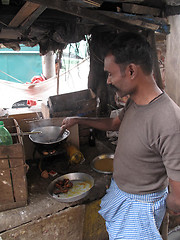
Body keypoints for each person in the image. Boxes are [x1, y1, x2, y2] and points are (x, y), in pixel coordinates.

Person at [61, 32, 180, 240]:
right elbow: (115, 123)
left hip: (140, 208)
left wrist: (165, 206)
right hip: (122, 193)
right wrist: (77, 121)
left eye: (110, 73)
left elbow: (178, 194)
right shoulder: (135, 100)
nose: (108, 80)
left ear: (131, 70)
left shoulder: (169, 120)